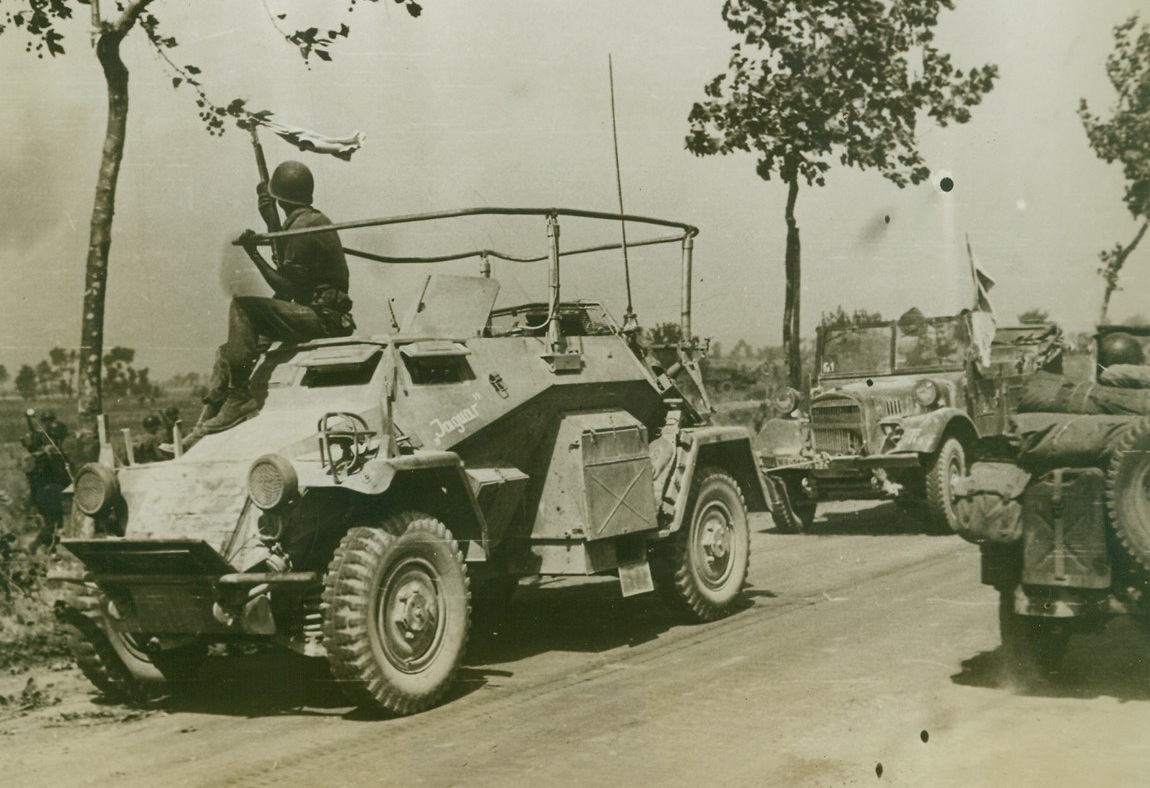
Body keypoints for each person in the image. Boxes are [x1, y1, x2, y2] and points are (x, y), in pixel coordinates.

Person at [183, 161, 356, 444]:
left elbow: (286, 287)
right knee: (228, 353)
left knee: (243, 307)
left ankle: (239, 398)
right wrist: (270, 219)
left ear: (279, 197)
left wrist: (253, 253)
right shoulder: (302, 222)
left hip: (324, 318)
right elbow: (290, 273)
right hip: (308, 312)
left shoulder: (305, 227)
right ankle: (202, 430)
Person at [20, 411, 72, 553]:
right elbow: (62, 475)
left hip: (44, 494)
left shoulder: (48, 451)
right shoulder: (50, 453)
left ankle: (50, 550)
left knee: (53, 525)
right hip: (50, 494)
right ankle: (34, 547)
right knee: (54, 525)